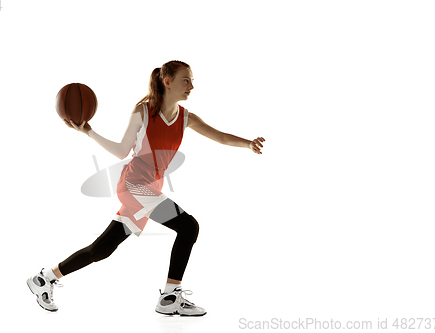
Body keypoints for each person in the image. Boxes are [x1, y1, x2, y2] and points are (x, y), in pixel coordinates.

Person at [27, 60, 265, 316]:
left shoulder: (186, 118)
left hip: (148, 189)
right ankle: (170, 297)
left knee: (103, 249)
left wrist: (248, 143)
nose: (191, 86)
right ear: (167, 81)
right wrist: (89, 132)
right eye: (186, 80)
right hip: (133, 186)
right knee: (189, 226)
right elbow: (121, 151)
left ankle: (44, 278)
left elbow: (219, 136)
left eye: (192, 81)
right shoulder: (143, 112)